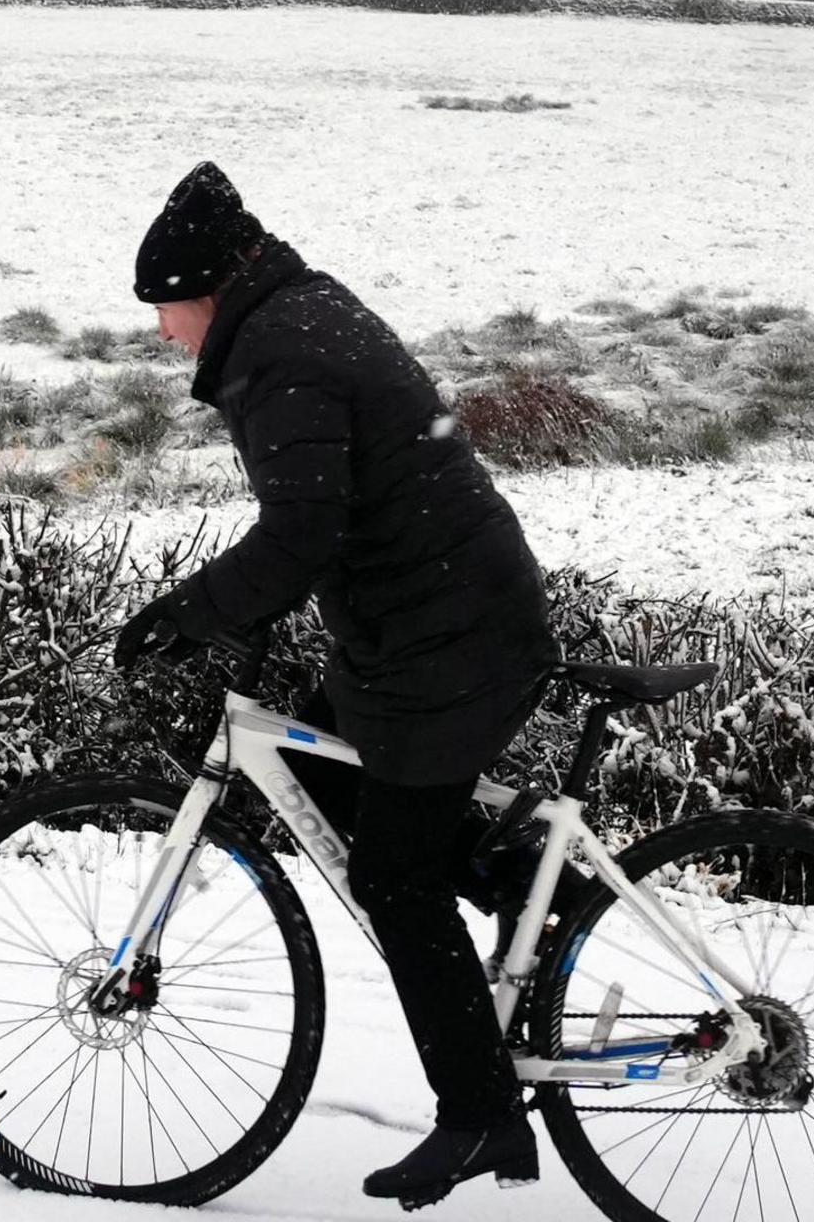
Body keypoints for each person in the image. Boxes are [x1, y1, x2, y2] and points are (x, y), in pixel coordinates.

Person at [112, 161, 562, 1210]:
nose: (162, 333)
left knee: (395, 879)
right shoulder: (300, 312)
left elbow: (303, 529)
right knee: (327, 780)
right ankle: (533, 892)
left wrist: (190, 614)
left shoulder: (281, 351)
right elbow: (335, 512)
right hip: (431, 620)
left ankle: (479, 1115)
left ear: (204, 293)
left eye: (163, 310)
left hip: (446, 639)